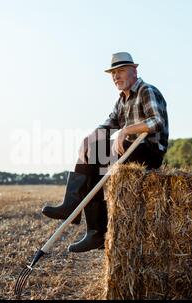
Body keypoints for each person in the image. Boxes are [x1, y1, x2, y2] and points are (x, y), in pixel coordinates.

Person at [42, 52, 169, 253]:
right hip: (128, 149)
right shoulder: (121, 100)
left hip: (149, 151)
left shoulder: (147, 91)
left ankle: (91, 227)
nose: (116, 77)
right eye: (113, 73)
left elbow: (157, 121)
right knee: (93, 153)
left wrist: (127, 130)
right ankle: (85, 221)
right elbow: (109, 124)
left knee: (99, 153)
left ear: (134, 71)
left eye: (121, 71)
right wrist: (90, 137)